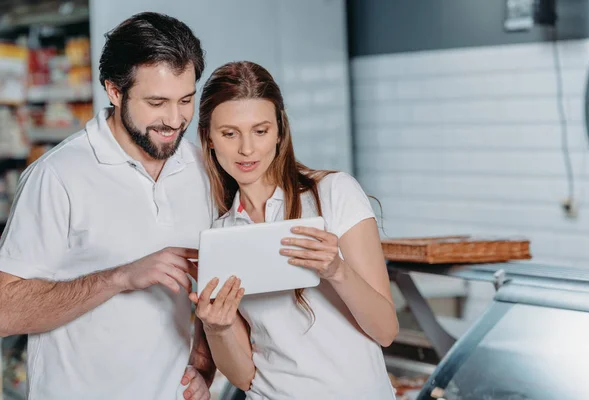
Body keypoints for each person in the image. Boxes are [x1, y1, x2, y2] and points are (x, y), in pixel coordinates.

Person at [0, 13, 215, 400]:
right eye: (156, 102)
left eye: (186, 100)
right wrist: (119, 278)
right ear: (114, 91)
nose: (174, 119)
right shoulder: (57, 176)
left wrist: (205, 366)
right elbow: (4, 312)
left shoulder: (202, 169)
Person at [190, 61, 400, 399]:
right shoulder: (220, 235)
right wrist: (217, 328)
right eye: (229, 133)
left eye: (260, 131)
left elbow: (386, 330)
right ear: (209, 139)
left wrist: (337, 271)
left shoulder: (333, 193)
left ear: (279, 132)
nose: (247, 149)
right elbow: (245, 377)